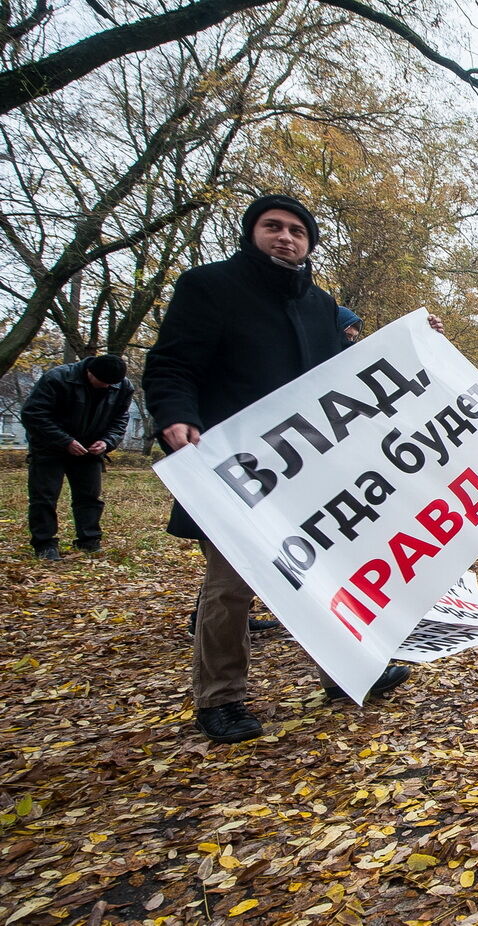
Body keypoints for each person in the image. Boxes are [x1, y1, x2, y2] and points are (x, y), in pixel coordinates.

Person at [143, 194, 413, 744]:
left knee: (326, 577)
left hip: (313, 475)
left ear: (309, 242)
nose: (285, 237)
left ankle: (344, 671)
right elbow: (171, 365)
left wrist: (414, 341)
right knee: (231, 587)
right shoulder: (209, 288)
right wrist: (176, 417)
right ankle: (220, 700)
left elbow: (348, 380)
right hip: (236, 473)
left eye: (296, 230)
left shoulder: (321, 306)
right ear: (252, 233)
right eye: (273, 227)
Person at [20, 354, 133, 559]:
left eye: (112, 384)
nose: (108, 387)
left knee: (90, 497)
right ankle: (44, 544)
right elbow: (33, 414)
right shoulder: (57, 378)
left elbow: (120, 419)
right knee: (44, 497)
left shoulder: (123, 386)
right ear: (90, 372)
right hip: (48, 448)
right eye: (104, 382)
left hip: (90, 449)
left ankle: (89, 540)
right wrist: (65, 441)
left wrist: (107, 442)